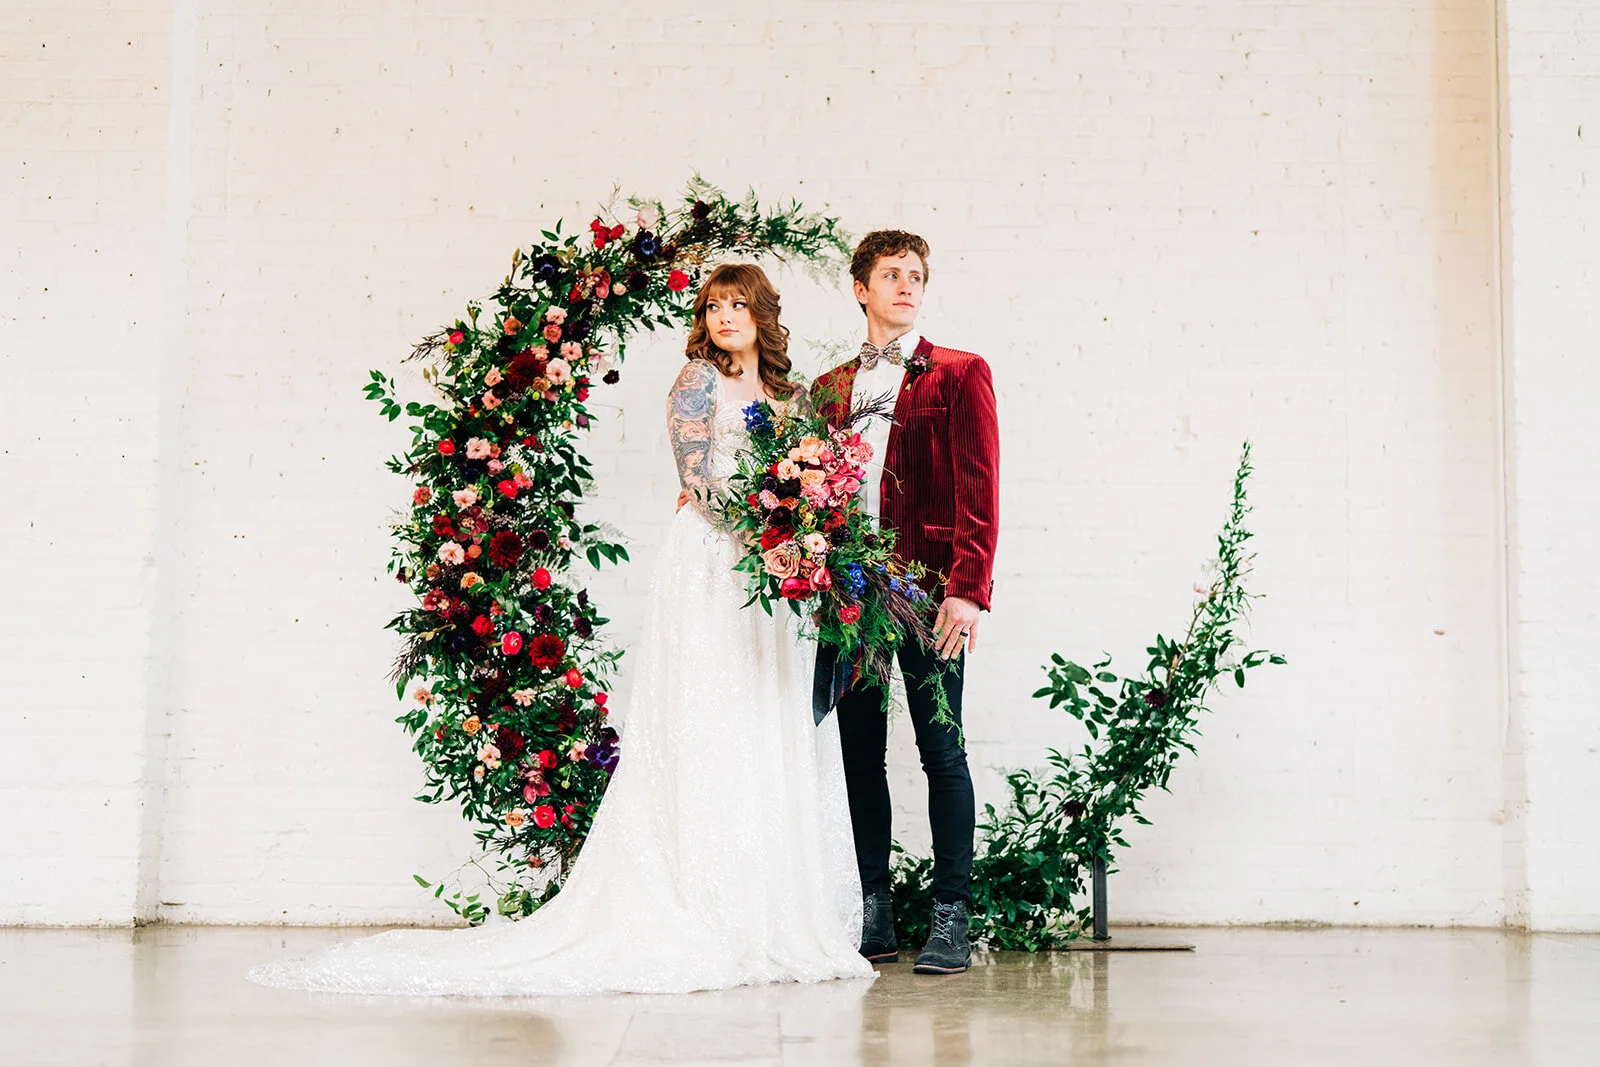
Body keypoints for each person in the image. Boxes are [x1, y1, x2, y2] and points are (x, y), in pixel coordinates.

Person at [248, 264, 873, 996]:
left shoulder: (791, 396)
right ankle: (708, 905)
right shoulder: (695, 383)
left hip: (775, 580)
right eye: (714, 305)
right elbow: (698, 478)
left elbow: (809, 479)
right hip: (713, 562)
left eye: (739, 304)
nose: (726, 315)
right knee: (710, 713)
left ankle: (770, 908)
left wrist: (802, 534)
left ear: (763, 313)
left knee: (764, 717)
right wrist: (764, 531)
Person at [811, 231, 1000, 976]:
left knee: (940, 748)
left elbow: (980, 485)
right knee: (859, 754)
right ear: (862, 288)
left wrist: (969, 591)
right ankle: (875, 910)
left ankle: (951, 916)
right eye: (892, 275)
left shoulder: (960, 373)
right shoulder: (828, 389)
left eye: (916, 275)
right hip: (851, 595)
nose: (907, 286)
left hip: (930, 593)